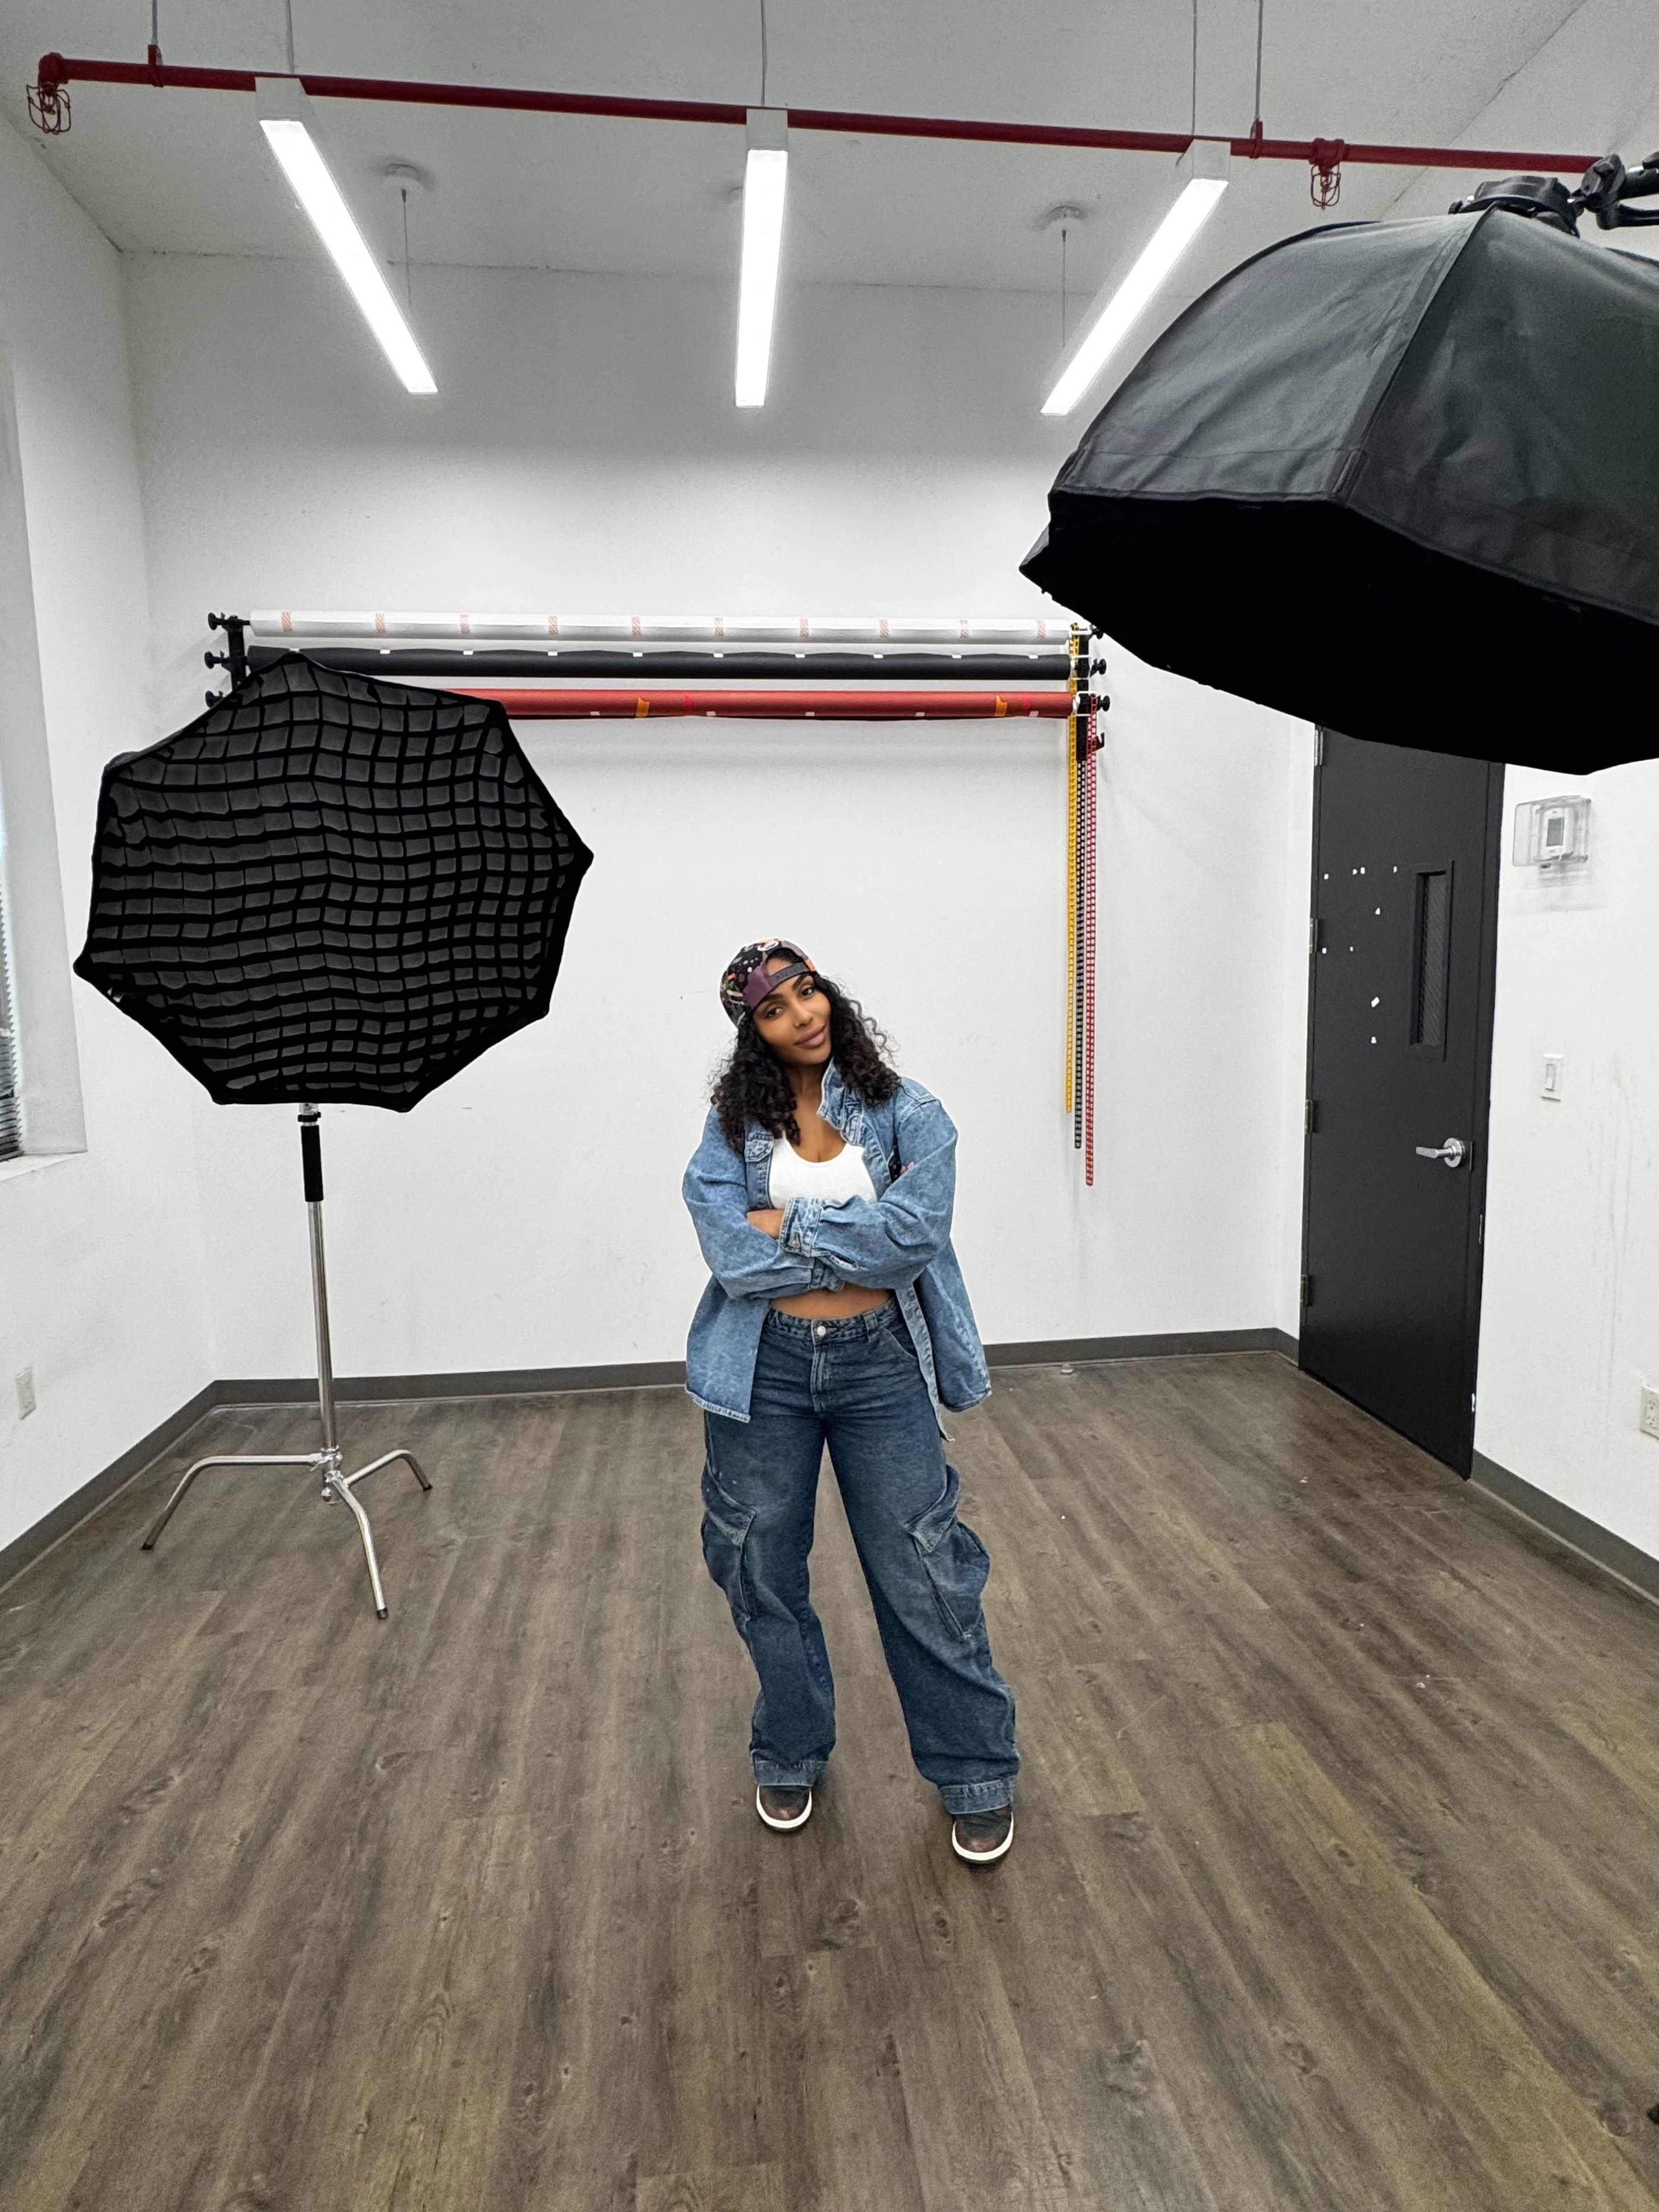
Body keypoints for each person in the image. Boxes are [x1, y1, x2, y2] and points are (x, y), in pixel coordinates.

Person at [681, 937, 1020, 1862]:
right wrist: (852, 1231)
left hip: (880, 1365)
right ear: (754, 1031)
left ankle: (976, 1772)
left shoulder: (911, 1112)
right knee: (760, 1566)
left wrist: (787, 1219)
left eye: (808, 989)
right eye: (776, 1006)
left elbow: (910, 1241)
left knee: (923, 1566)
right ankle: (790, 1747)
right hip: (766, 1367)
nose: (804, 1013)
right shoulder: (730, 1126)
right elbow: (729, 1253)